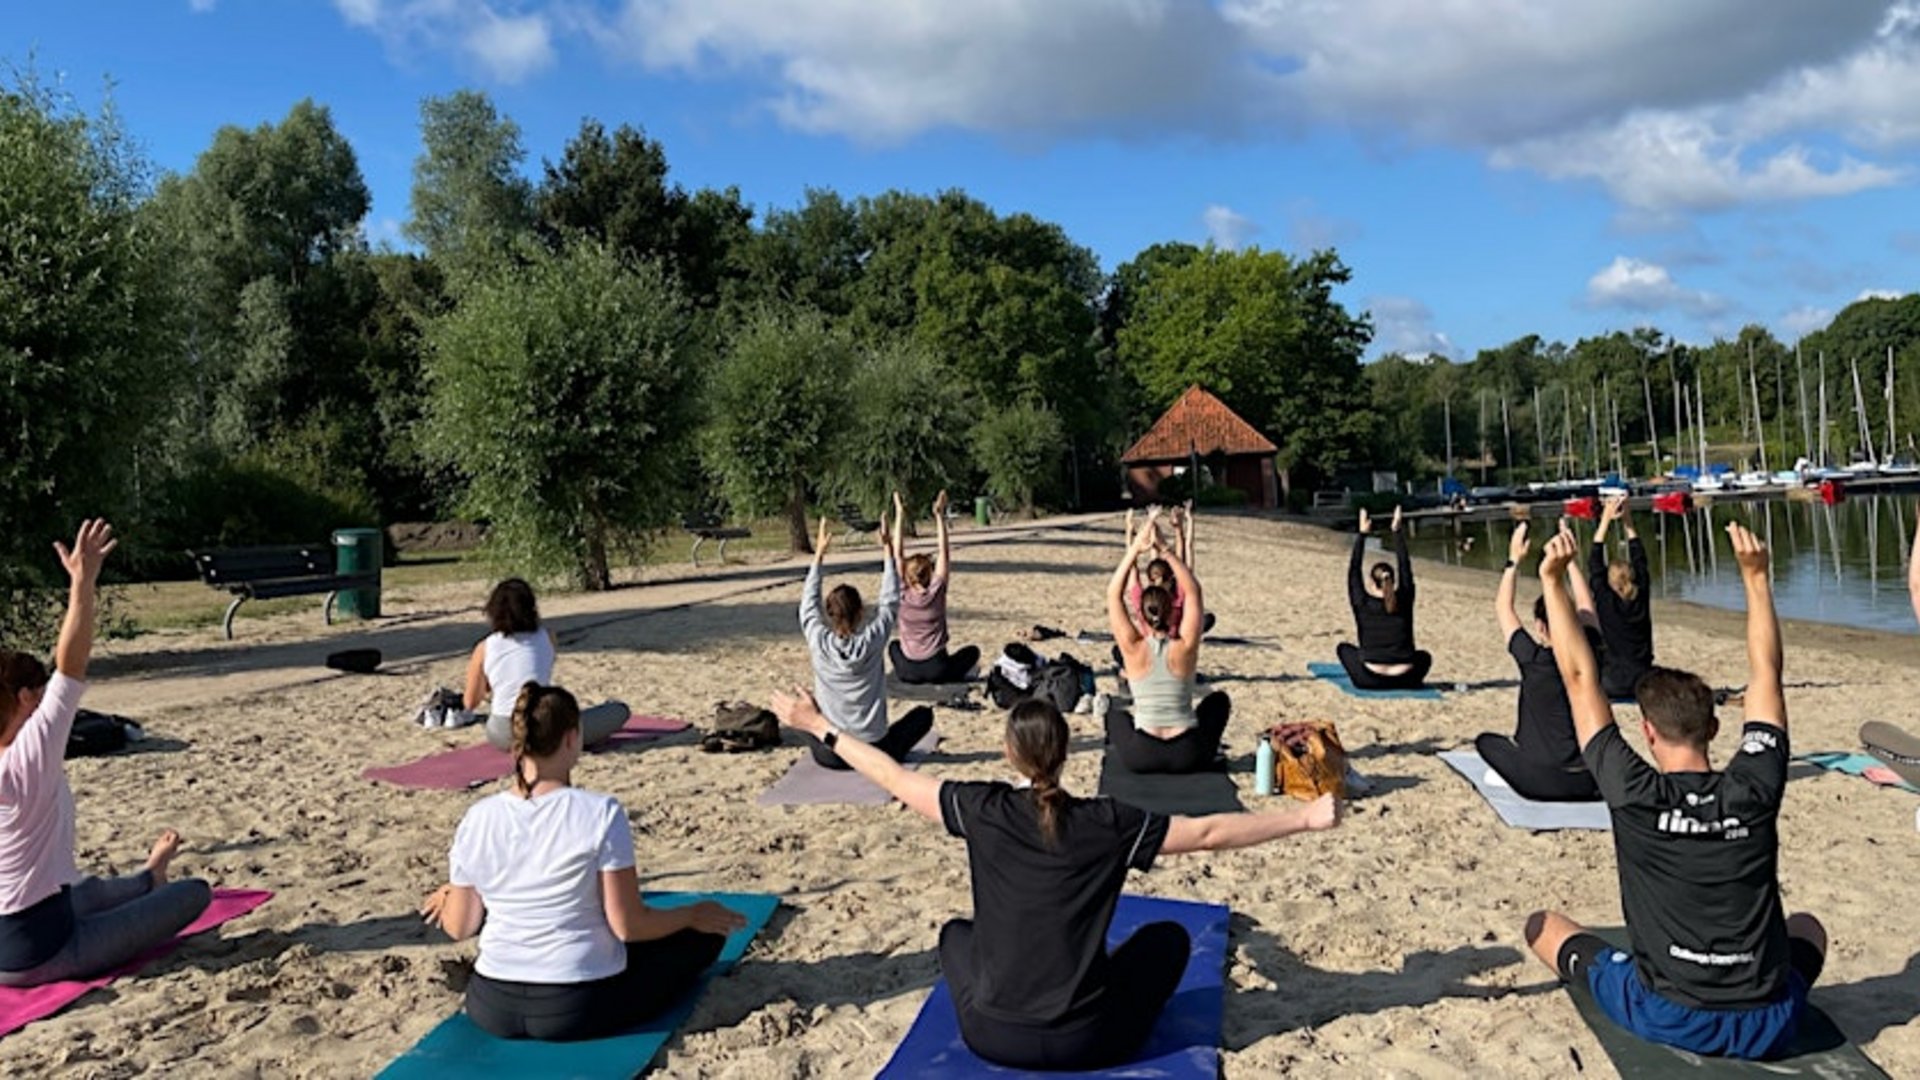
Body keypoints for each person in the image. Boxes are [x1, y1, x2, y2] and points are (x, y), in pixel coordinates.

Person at [770, 689, 1340, 1071]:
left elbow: (892, 776)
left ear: (1009, 755)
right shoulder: (1108, 821)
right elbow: (1210, 832)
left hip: (988, 1034)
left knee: (953, 935)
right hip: (1089, 1041)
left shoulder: (981, 808)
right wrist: (1305, 819)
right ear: (1067, 754)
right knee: (1166, 939)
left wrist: (818, 724)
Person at [1523, 524, 1827, 1062]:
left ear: (1647, 731)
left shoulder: (1633, 790)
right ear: (1714, 730)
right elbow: (1766, 676)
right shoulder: (1754, 785)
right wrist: (1756, 580)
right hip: (1768, 1022)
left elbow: (1578, 678)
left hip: (1670, 1014)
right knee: (1808, 930)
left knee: (1542, 927)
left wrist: (1552, 581)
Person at [421, 682, 747, 1041]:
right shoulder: (600, 812)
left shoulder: (477, 817)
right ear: (572, 738)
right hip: (576, 1006)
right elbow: (628, 926)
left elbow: (460, 927)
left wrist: (452, 892)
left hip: (491, 1004)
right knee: (701, 938)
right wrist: (692, 914)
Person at [0, 520, 213, 989]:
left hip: (20, 927)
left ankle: (147, 876)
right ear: (20, 700)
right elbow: (70, 666)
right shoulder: (27, 757)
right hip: (41, 953)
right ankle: (153, 886)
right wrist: (82, 584)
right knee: (195, 894)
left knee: (84, 888)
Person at [800, 501, 933, 770]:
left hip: (830, 753)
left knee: (806, 710)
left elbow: (807, 603)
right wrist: (886, 549)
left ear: (829, 613)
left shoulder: (818, 639)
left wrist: (819, 556)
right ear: (861, 612)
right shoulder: (873, 639)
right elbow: (890, 601)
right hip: (873, 751)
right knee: (923, 716)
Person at [1476, 520, 1602, 802]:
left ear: (1541, 627)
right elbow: (1586, 606)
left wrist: (1513, 560)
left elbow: (1503, 607)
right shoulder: (1594, 652)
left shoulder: (1534, 659)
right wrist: (1568, 562)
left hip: (1541, 781)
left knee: (1486, 742)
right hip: (1587, 780)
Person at [1103, 509, 1229, 774]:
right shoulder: (1185, 646)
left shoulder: (1132, 647)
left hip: (1142, 756)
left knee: (1114, 715)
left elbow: (1113, 594)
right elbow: (1193, 590)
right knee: (1219, 702)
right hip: (1188, 754)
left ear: (1143, 616)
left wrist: (1135, 549)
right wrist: (1165, 549)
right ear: (1173, 612)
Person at [464, 578, 630, 751]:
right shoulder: (547, 638)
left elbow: (470, 702)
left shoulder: (484, 647)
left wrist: (491, 684)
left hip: (502, 733)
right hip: (543, 727)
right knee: (619, 711)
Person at [889, 491, 981, 685]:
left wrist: (899, 514)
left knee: (894, 646)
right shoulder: (936, 590)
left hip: (908, 671)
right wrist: (939, 516)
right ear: (929, 574)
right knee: (973, 652)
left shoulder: (900, 591)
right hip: (937, 669)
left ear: (907, 575)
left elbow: (896, 553)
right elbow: (944, 552)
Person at [1337, 505, 1432, 689]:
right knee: (1424, 657)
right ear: (1393, 582)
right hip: (1406, 677)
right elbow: (1405, 567)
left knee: (1343, 649)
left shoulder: (1362, 603)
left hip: (1369, 678)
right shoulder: (1404, 599)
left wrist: (1362, 534)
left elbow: (1353, 571)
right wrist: (1397, 531)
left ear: (1372, 583)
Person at [1589, 496, 1654, 700]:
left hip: (1613, 681)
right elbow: (1640, 560)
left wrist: (1605, 520)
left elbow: (1595, 564)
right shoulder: (1640, 596)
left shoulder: (1606, 601)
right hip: (1642, 679)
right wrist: (1628, 521)